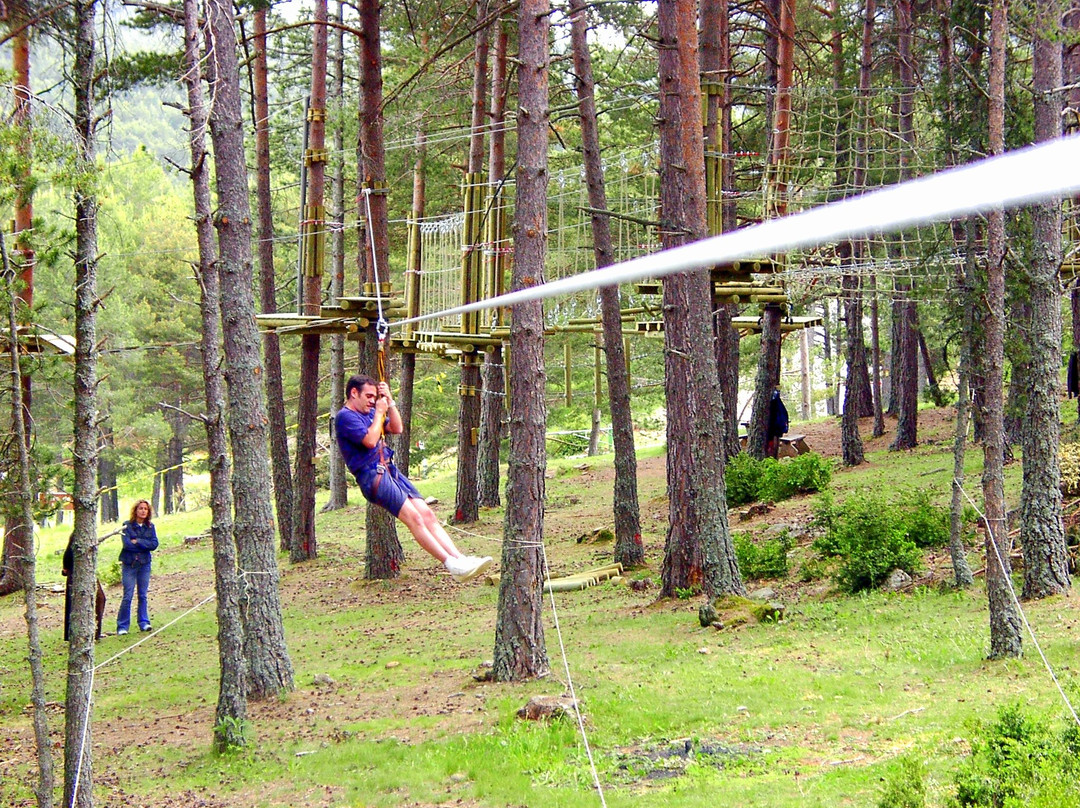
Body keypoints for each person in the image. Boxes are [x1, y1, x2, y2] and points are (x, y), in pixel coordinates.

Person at [335, 374, 493, 582]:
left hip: (389, 470)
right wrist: (379, 413)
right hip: (372, 476)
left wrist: (389, 404)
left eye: (375, 396)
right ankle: (451, 564)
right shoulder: (345, 417)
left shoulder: (371, 412)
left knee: (427, 514)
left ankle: (460, 559)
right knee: (415, 518)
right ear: (354, 393)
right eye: (369, 396)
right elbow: (371, 441)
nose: (372, 401)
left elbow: (397, 428)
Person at [116, 499, 158, 635]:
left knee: (143, 595)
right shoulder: (127, 526)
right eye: (141, 508)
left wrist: (138, 541)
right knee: (128, 595)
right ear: (135, 510)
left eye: (146, 509)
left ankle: (144, 622)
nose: (143, 511)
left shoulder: (150, 527)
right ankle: (122, 626)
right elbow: (127, 545)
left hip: (145, 564)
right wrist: (142, 545)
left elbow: (154, 544)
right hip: (129, 564)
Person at [63, 533, 106, 641]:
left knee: (99, 599)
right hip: (77, 574)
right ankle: (76, 633)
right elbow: (67, 561)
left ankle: (95, 632)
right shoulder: (75, 542)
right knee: (76, 604)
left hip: (89, 573)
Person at [765, 388, 789, 460]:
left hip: (773, 430)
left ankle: (772, 455)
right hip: (774, 430)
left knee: (772, 440)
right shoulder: (777, 403)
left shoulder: (775, 403)